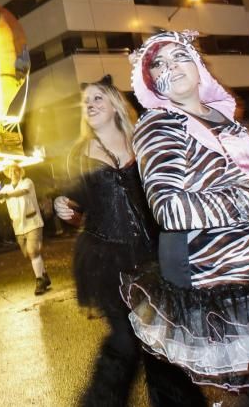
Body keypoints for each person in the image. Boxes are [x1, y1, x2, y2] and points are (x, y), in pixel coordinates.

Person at [122, 30, 249, 405]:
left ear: (198, 64)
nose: (170, 66)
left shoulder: (220, 117)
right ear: (151, 81)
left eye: (179, 56)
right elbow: (169, 208)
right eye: (158, 64)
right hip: (210, 271)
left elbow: (237, 183)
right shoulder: (159, 125)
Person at [53, 75, 205, 407]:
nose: (90, 105)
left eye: (97, 98)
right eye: (86, 102)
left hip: (152, 255)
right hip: (106, 260)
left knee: (160, 341)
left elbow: (165, 189)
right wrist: (63, 205)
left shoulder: (142, 142)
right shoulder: (80, 153)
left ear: (115, 104)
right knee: (124, 340)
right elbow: (75, 199)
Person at [0, 164, 50, 295]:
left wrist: (4, 195)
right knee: (29, 254)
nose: (13, 173)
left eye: (15, 170)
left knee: (32, 251)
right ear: (7, 173)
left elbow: (21, 192)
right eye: (10, 171)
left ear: (20, 171)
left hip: (33, 223)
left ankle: (40, 281)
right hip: (18, 227)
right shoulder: (6, 188)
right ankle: (44, 274)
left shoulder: (27, 182)